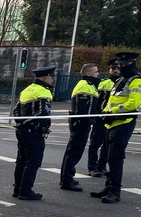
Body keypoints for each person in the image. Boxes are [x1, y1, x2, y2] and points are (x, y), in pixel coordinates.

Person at [91, 52, 141, 204]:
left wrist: (112, 112)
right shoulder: (120, 80)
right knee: (107, 155)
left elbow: (133, 103)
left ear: (132, 64)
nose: (121, 67)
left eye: (124, 65)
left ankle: (115, 191)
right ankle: (109, 186)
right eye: (120, 65)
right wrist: (105, 112)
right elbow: (110, 100)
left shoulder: (136, 81)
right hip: (111, 123)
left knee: (116, 158)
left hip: (123, 123)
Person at [12, 66, 56, 200]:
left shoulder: (27, 89)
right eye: (51, 77)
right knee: (33, 162)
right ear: (45, 77)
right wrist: (31, 123)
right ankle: (26, 191)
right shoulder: (44, 91)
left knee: (21, 160)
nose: (52, 80)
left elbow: (16, 110)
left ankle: (17, 189)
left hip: (21, 130)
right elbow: (43, 113)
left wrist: (22, 122)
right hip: (33, 131)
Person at [59, 63, 100, 191]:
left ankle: (67, 178)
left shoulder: (88, 85)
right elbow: (82, 109)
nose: (98, 74)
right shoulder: (85, 86)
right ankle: (67, 180)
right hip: (80, 125)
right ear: (88, 73)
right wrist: (86, 122)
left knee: (73, 151)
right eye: (96, 71)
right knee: (74, 152)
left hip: (80, 124)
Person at [87, 59, 120, 177]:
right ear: (109, 70)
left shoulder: (123, 83)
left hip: (113, 118)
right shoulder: (103, 83)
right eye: (113, 69)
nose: (115, 71)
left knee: (107, 144)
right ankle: (92, 167)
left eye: (117, 68)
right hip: (101, 117)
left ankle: (102, 166)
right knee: (95, 143)